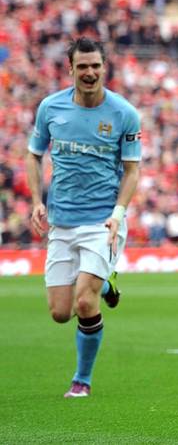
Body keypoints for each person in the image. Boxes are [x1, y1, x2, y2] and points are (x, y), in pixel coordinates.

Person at [25, 37, 141, 396]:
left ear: (104, 68)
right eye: (83, 66)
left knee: (84, 302)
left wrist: (119, 213)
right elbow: (33, 155)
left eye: (96, 66)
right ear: (70, 69)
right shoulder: (50, 108)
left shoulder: (124, 113)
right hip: (61, 221)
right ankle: (108, 283)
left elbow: (132, 170)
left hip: (102, 223)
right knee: (61, 312)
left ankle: (82, 380)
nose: (90, 72)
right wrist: (35, 201)